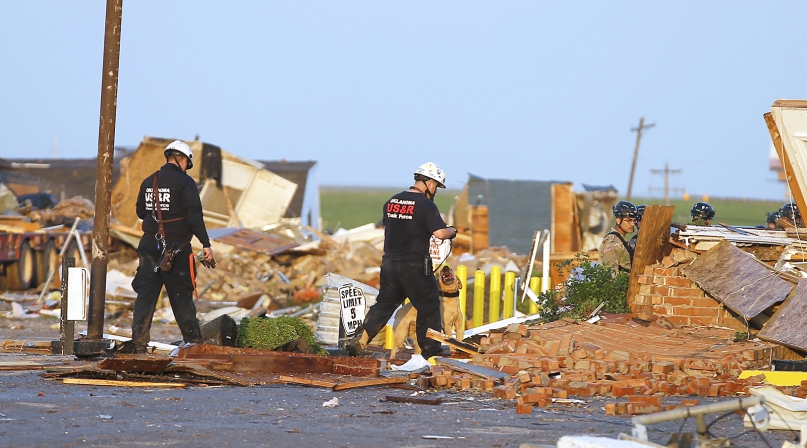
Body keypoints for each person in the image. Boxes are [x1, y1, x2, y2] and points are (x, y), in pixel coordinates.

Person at [346, 162, 457, 359]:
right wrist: (452, 231)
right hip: (415, 264)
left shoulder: (391, 201)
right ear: (429, 183)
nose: (435, 191)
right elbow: (440, 233)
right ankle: (430, 351)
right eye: (436, 186)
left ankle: (360, 339)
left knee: (384, 305)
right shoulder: (426, 205)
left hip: (389, 263)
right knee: (429, 305)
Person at [130, 140, 216, 354]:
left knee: (146, 296)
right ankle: (193, 343)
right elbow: (195, 217)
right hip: (176, 249)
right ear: (184, 159)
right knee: (181, 296)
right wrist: (206, 245)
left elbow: (141, 212)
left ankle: (138, 345)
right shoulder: (185, 183)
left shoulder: (149, 181)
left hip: (150, 247)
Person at [599, 200, 636, 274]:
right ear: (618, 220)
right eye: (628, 220)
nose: (632, 224)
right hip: (618, 285)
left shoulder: (621, 239)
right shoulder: (613, 243)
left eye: (634, 221)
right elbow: (610, 273)